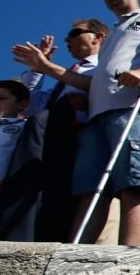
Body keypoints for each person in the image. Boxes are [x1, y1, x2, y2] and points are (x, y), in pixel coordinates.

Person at [14, 0, 140, 245]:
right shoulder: (112, 38)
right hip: (98, 116)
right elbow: (90, 82)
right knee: (91, 189)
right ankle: (75, 254)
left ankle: (131, 257)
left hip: (136, 108)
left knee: (135, 182)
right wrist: (46, 68)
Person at [9, 20, 107, 240]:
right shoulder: (63, 75)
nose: (67, 40)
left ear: (97, 37)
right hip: (48, 143)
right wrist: (38, 71)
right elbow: (32, 107)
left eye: (75, 33)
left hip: (80, 142)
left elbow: (107, 92)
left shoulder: (103, 66)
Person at [0, 80, 30, 238]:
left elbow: (24, 155)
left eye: (1, 98)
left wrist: (8, 179)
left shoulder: (25, 125)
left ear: (21, 104)